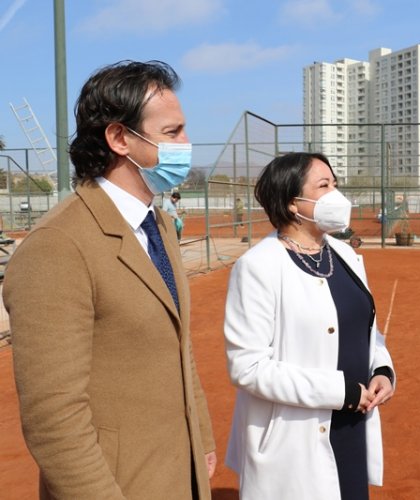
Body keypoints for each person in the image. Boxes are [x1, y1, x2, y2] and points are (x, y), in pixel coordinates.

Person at [3, 60, 216, 499]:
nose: (186, 144)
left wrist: (203, 442)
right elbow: (54, 418)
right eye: (172, 133)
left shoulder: (156, 224)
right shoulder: (58, 245)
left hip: (177, 472)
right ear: (120, 138)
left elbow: (179, 346)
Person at [224, 152, 395, 500]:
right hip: (294, 440)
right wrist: (339, 391)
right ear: (291, 204)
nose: (337, 194)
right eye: (324, 185)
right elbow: (248, 367)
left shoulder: (344, 255)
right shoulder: (257, 267)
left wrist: (382, 368)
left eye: (335, 183)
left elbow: (366, 329)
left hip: (351, 427)